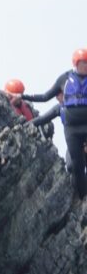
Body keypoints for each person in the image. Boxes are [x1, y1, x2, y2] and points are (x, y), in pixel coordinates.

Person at [23, 49, 87, 198]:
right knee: (75, 166)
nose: (86, 66)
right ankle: (82, 198)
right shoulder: (63, 80)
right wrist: (22, 97)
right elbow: (45, 97)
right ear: (76, 64)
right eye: (84, 63)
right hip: (72, 130)